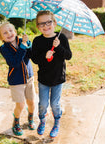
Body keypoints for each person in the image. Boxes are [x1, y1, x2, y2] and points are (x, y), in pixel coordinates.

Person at [31, 10, 72, 138]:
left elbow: (68, 56)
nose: (45, 26)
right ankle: (42, 121)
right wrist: (45, 56)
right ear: (38, 26)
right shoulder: (37, 40)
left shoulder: (61, 38)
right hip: (43, 78)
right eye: (41, 24)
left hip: (58, 78)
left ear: (54, 23)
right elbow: (35, 59)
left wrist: (59, 47)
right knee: (43, 104)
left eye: (48, 22)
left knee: (55, 104)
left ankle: (56, 122)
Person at [0, 22, 36, 136]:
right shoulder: (4, 48)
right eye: (5, 33)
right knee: (20, 104)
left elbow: (31, 56)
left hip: (29, 77)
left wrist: (28, 45)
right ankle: (16, 122)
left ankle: (30, 118)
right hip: (16, 80)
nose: (9, 33)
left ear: (15, 31)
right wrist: (23, 47)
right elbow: (14, 62)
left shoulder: (22, 42)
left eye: (10, 30)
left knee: (31, 101)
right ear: (1, 37)